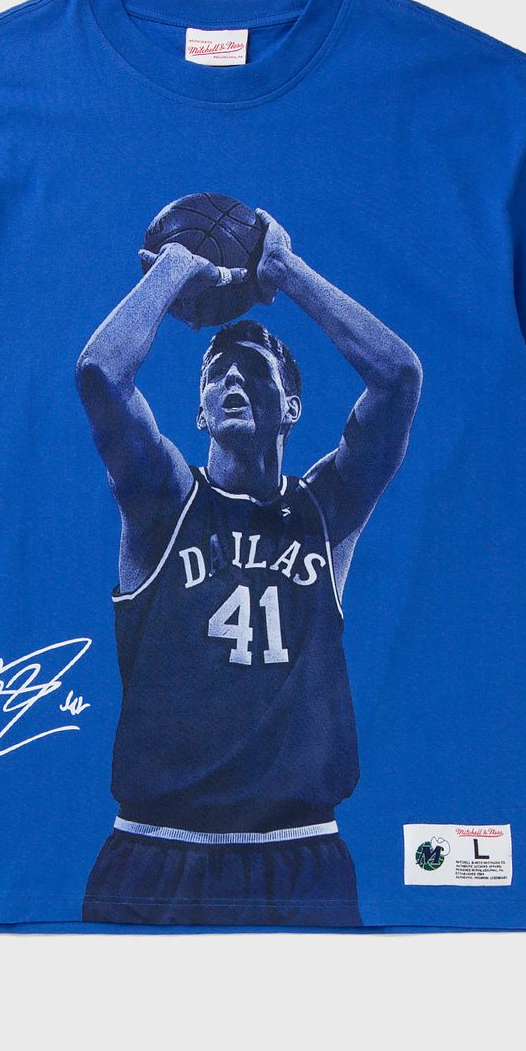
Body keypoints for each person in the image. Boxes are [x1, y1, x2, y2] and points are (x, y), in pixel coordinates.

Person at [76, 208, 422, 925]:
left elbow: (397, 378)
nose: (232, 376)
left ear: (290, 407)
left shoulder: (325, 512)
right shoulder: (165, 503)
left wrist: (285, 272)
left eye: (254, 368)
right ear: (200, 414)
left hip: (301, 855)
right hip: (154, 850)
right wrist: (177, 268)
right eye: (215, 372)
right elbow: (102, 375)